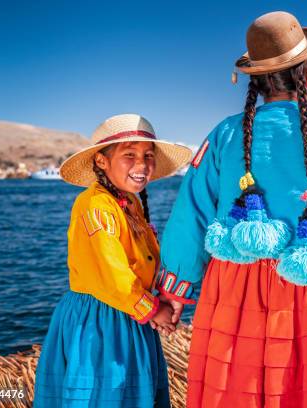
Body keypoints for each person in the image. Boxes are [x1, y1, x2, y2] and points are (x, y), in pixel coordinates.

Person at [160, 11, 307, 407]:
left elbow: (192, 216)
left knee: (237, 391)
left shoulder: (224, 134)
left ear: (257, 82)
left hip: (236, 292)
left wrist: (175, 292)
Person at [34, 114, 192, 407]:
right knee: (103, 393)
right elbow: (111, 272)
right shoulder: (95, 205)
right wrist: (153, 309)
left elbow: (142, 262)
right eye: (129, 155)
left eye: (148, 155)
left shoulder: (128, 202)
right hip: (101, 320)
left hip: (127, 313)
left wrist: (166, 297)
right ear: (101, 161)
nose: (142, 164)